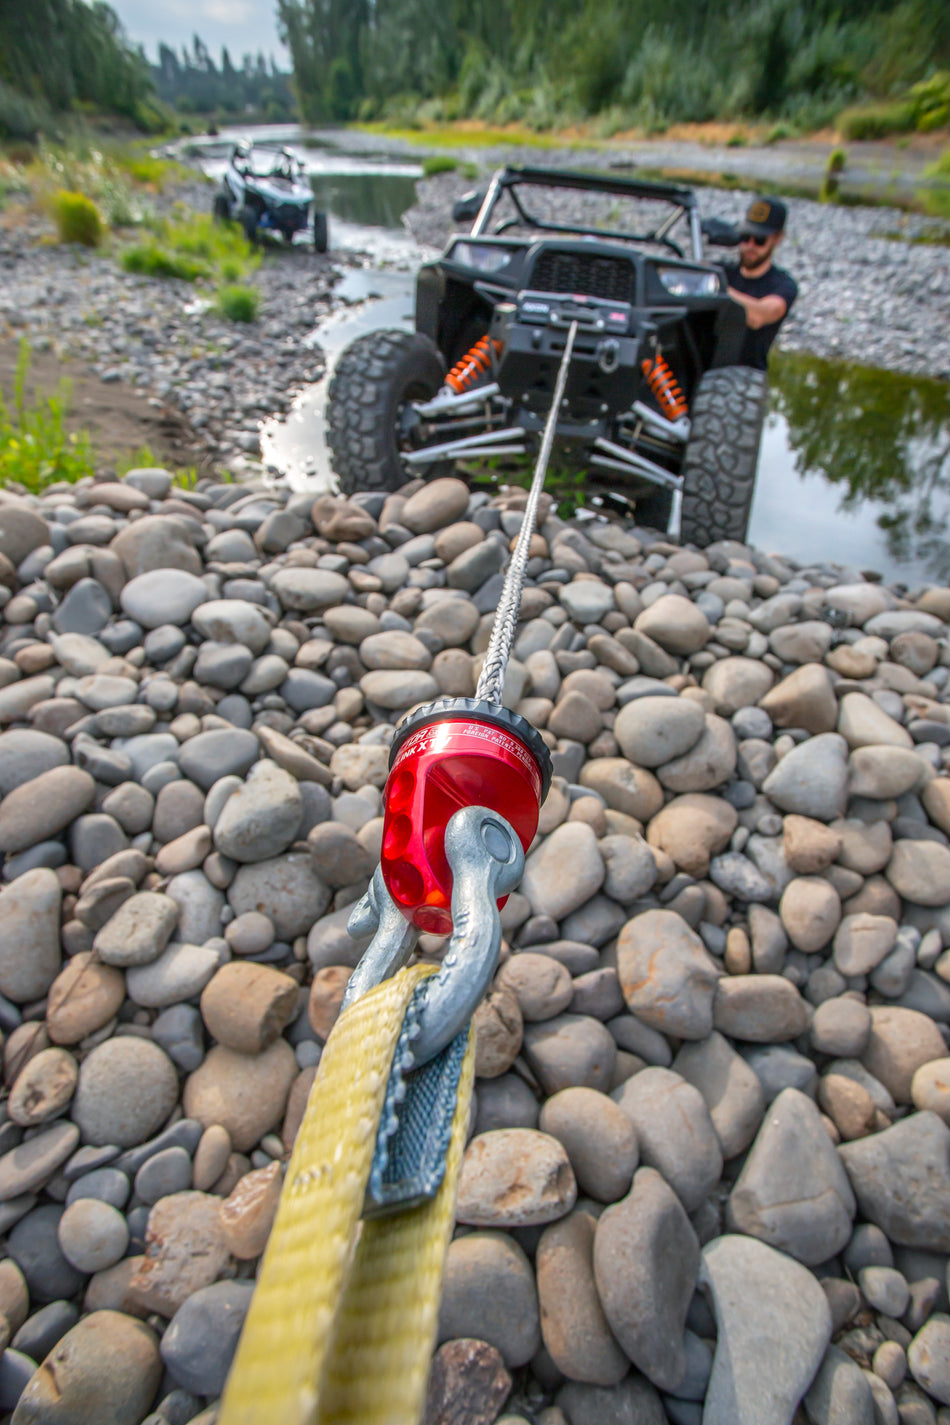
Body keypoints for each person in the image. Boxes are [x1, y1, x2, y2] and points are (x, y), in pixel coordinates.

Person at [722, 197, 798, 371]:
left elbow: (760, 316)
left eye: (759, 240)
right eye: (745, 237)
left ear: (777, 238)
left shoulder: (783, 285)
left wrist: (716, 287)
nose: (750, 246)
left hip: (746, 377)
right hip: (699, 372)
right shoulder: (722, 271)